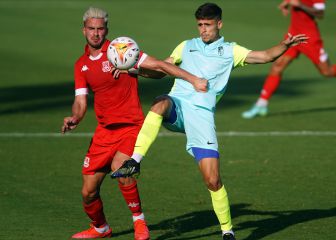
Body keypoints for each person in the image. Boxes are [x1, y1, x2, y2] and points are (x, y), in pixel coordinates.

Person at [110, 3, 307, 240]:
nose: (203, 30)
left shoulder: (231, 51)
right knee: (160, 101)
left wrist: (284, 45)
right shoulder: (186, 46)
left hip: (201, 118)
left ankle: (227, 231)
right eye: (200, 25)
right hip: (178, 107)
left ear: (219, 24)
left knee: (213, 180)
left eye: (208, 25)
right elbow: (162, 69)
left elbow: (265, 56)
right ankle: (135, 161)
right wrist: (133, 71)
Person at [61, 6, 207, 239]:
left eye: (100, 29)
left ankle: (139, 222)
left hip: (131, 126)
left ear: (106, 29)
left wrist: (192, 79)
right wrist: (75, 118)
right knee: (88, 192)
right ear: (84, 30)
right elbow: (80, 101)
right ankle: (100, 228)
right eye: (91, 29)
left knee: (122, 168)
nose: (96, 34)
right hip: (104, 132)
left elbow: (159, 67)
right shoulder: (81, 65)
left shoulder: (122, 49)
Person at [242, 0, 336, 119]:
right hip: (293, 35)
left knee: (327, 71)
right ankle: (261, 104)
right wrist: (287, 3)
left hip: (309, 38)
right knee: (278, 65)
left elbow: (320, 14)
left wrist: (300, 5)